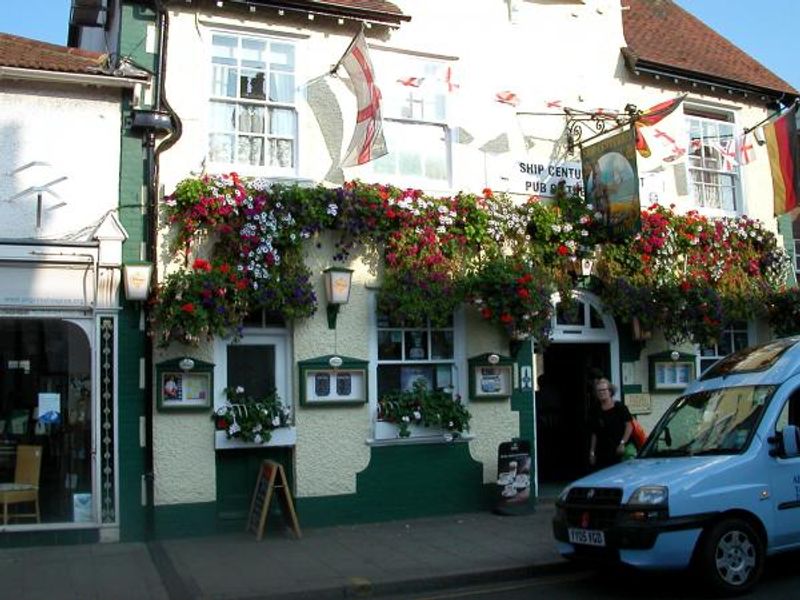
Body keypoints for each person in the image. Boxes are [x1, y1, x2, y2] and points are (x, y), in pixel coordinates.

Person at [588, 377, 633, 470]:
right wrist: (592, 452)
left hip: (618, 451)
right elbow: (594, 433)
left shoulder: (620, 407)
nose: (601, 392)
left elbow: (629, 426)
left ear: (610, 391)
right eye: (598, 390)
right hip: (602, 452)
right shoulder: (595, 410)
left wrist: (622, 443)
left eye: (604, 390)